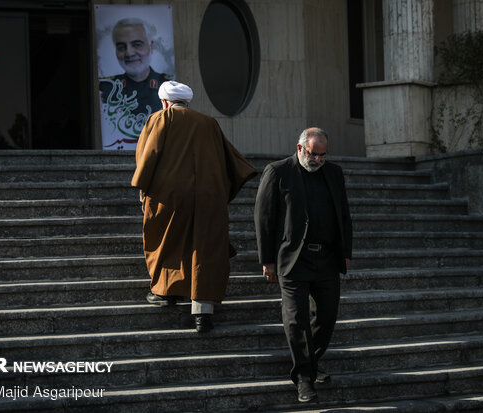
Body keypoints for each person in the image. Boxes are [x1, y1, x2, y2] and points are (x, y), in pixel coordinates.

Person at [131, 80, 257, 333]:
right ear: (188, 102)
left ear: (165, 102)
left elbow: (148, 156)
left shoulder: (160, 118)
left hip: (171, 197)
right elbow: (229, 160)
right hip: (209, 196)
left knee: (169, 242)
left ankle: (167, 293)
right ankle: (203, 312)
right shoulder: (208, 123)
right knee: (205, 249)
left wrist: (142, 189)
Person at [254, 127, 353, 403]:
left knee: (326, 318)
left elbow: (343, 213)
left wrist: (345, 251)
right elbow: (263, 218)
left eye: (322, 155)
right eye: (313, 154)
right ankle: (304, 379)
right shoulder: (278, 171)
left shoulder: (333, 172)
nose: (318, 160)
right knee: (297, 320)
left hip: (326, 258)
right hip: (292, 260)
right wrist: (267, 260)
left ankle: (310, 362)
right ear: (300, 149)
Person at [99, 18, 172, 149]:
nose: (129, 53)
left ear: (151, 46)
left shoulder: (167, 85)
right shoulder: (106, 90)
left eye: (137, 44)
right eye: (121, 47)